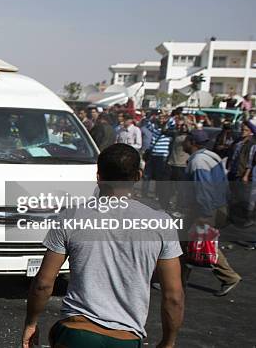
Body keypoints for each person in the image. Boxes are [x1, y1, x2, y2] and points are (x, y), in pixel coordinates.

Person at [22, 144, 184, 348]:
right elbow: (173, 296)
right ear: (138, 176)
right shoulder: (161, 223)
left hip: (76, 333)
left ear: (98, 176)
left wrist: (31, 323)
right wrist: (168, 342)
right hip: (126, 338)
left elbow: (43, 283)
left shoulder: (70, 217)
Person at [183, 130, 242, 295]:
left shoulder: (198, 161)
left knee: (202, 242)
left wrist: (205, 215)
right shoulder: (211, 155)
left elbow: (203, 189)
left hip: (206, 208)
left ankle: (229, 277)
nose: (183, 142)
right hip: (217, 205)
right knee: (186, 243)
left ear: (192, 142)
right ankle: (178, 279)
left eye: (186, 139)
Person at [226, 121, 256, 225]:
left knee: (242, 197)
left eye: (246, 130)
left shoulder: (252, 144)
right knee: (232, 195)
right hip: (233, 172)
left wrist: (246, 175)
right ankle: (232, 216)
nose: (243, 132)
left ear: (250, 132)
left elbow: (250, 161)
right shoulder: (238, 141)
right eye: (242, 129)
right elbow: (232, 156)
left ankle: (245, 218)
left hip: (242, 173)